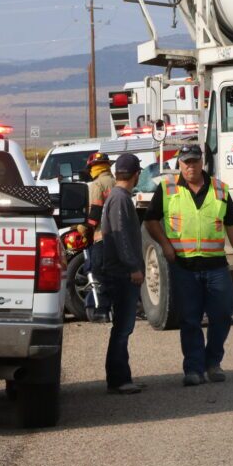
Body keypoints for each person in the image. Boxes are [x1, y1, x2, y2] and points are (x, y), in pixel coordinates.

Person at [144, 144, 233, 387]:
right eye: (186, 162)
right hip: (184, 267)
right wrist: (165, 246)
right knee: (190, 319)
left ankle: (213, 362)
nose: (191, 166)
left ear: (202, 162)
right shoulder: (167, 189)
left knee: (222, 315)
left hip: (216, 267)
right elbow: (150, 220)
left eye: (194, 161)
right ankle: (193, 368)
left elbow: (232, 224)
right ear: (179, 164)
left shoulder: (220, 189)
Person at [99, 152, 146, 395]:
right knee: (122, 327)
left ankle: (122, 376)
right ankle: (118, 379)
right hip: (122, 274)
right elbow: (120, 236)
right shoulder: (120, 199)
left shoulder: (118, 197)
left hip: (121, 272)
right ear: (136, 174)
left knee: (123, 327)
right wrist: (133, 267)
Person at [80, 152, 115, 315]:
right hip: (120, 237)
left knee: (98, 271)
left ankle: (101, 309)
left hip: (102, 236)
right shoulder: (116, 182)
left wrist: (86, 228)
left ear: (92, 168)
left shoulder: (97, 185)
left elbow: (95, 211)